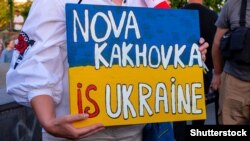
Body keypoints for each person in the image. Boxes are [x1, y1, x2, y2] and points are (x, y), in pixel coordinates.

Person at [6, 0, 208, 141]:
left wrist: (188, 55)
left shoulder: (148, 4)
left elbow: (156, 60)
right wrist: (49, 121)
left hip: (136, 132)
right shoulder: (56, 2)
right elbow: (35, 62)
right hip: (77, 133)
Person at [210, 0, 250, 125]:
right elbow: (217, 44)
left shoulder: (232, 5)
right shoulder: (232, 4)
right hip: (234, 81)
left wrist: (217, 74)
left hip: (234, 83)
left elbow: (217, 43)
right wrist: (217, 74)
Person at [182, 0, 218, 125]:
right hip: (204, 70)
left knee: (179, 109)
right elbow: (216, 46)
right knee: (199, 109)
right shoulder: (213, 16)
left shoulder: (177, 14)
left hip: (180, 70)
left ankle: (179, 136)